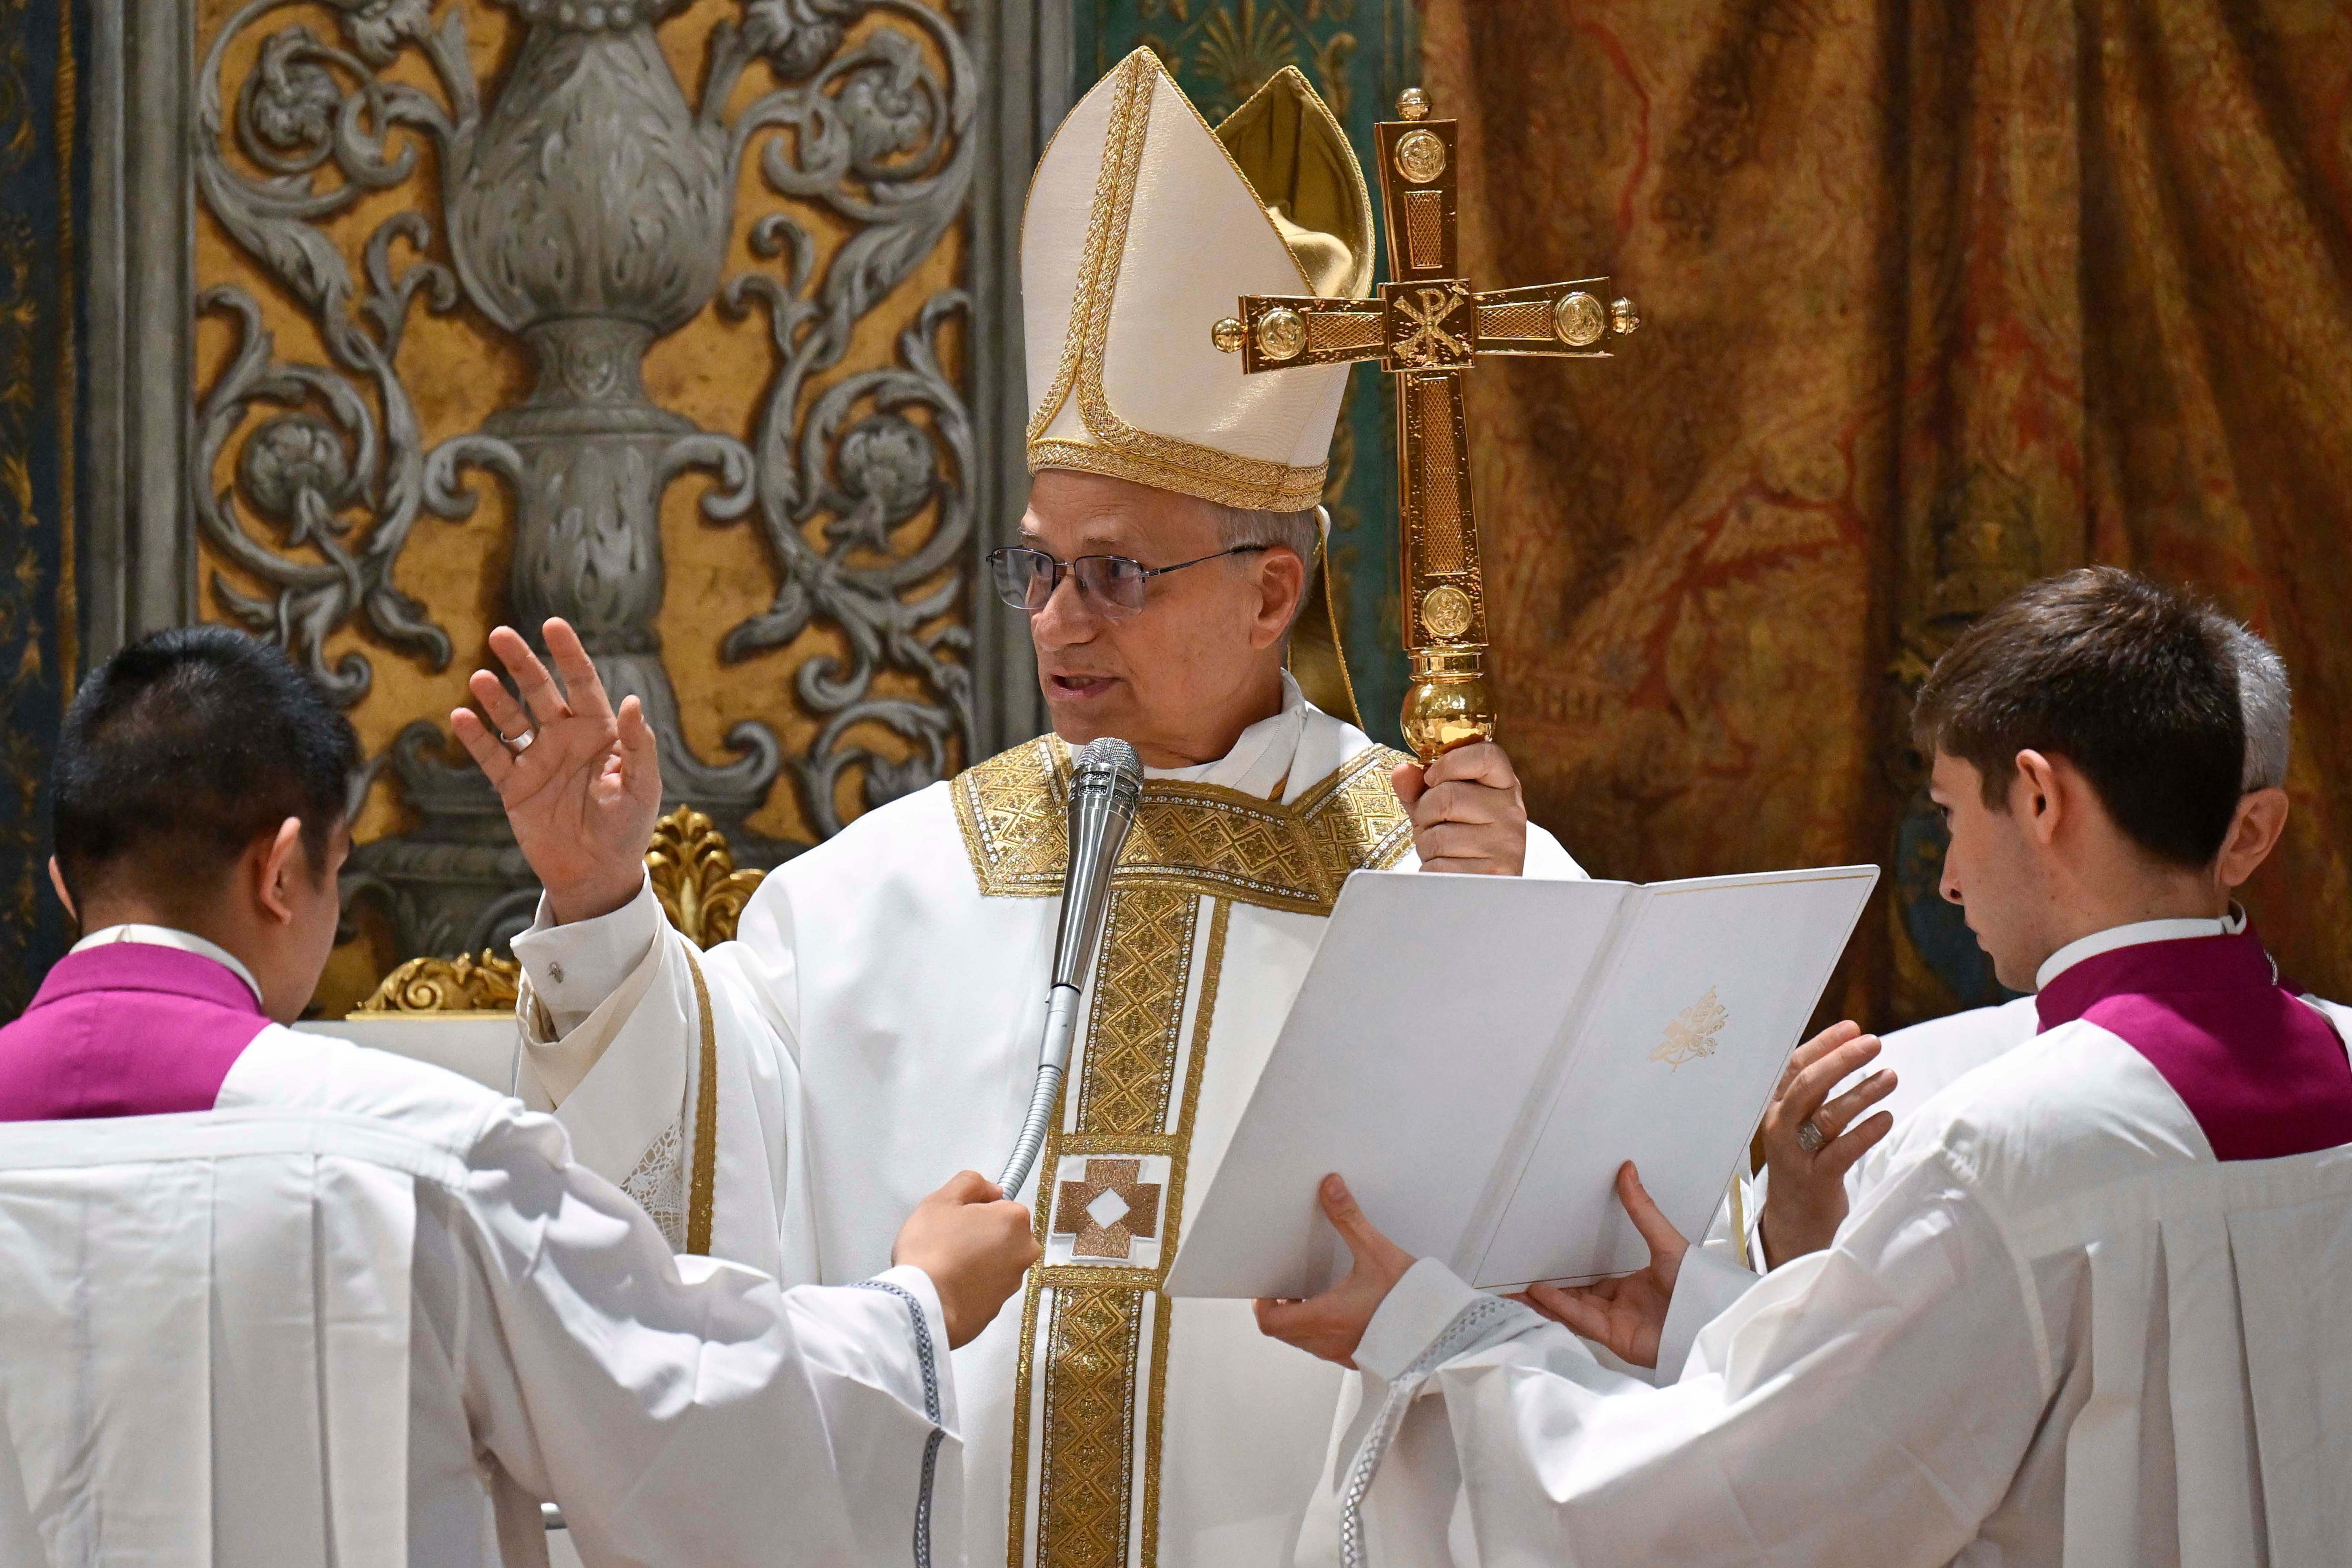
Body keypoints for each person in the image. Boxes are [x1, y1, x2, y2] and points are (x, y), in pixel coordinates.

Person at [449, 50, 1584, 1568]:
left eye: (1115, 572)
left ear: (1270, 593)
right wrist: (599, 906)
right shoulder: (907, 881)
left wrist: (1500, 944)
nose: (1056, 622)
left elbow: (1604, 1271)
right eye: (1037, 566)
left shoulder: (1453, 877)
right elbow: (706, 1176)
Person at [1259, 568, 2352, 1565]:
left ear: (2038, 797)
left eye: (1949, 819)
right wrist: (1698, 1317)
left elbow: (1746, 1509)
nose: (1956, 881)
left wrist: (1430, 1332)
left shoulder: (2012, 1142)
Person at [0, 625, 1039, 1568]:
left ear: (62, 885)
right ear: (282, 871)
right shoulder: (410, 1160)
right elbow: (677, 1418)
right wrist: (914, 1307)